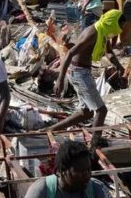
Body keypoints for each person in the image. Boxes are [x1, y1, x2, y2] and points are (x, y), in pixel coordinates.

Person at [52, 10, 126, 149]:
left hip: (83, 71)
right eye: (119, 25)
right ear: (112, 22)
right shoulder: (93, 33)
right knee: (101, 110)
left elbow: (109, 53)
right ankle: (93, 147)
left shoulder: (103, 31)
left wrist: (119, 66)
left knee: (86, 112)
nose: (120, 30)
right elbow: (70, 53)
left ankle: (50, 130)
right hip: (78, 72)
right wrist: (60, 79)